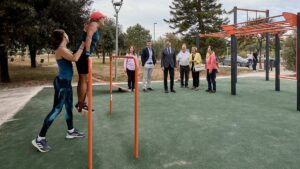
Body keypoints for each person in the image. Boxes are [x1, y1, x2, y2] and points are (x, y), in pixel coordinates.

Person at [32, 29, 85, 153]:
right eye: (66, 33)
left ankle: (70, 131)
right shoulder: (61, 49)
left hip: (65, 83)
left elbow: (74, 54)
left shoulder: (64, 49)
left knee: (68, 107)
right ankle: (40, 138)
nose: (67, 34)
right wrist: (82, 45)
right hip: (62, 84)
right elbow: (75, 58)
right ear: (63, 37)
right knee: (56, 109)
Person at [75, 11, 106, 112]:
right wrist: (88, 53)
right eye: (103, 18)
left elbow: (87, 37)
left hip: (80, 53)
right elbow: (88, 38)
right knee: (85, 80)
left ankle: (80, 103)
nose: (104, 19)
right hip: (83, 54)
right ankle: (82, 104)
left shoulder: (91, 25)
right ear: (98, 19)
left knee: (82, 79)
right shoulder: (93, 25)